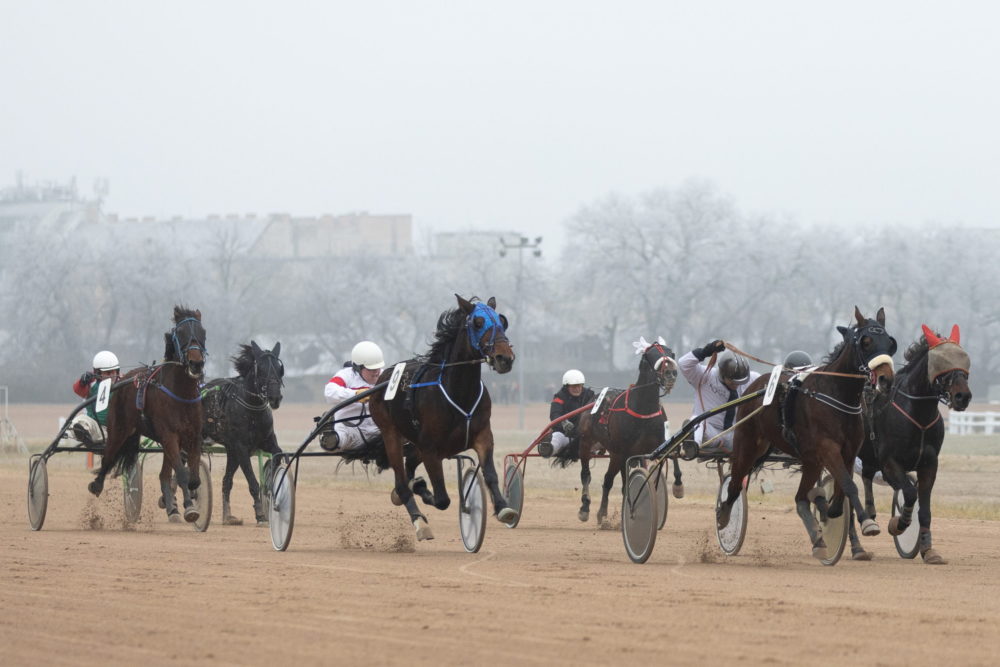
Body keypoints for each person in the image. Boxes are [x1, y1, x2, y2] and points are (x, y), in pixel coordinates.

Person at [678, 340, 760, 455]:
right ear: (722, 374)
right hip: (710, 432)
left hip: (736, 434)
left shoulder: (752, 379)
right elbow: (683, 363)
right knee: (695, 422)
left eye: (740, 382)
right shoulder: (704, 376)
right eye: (732, 381)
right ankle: (693, 445)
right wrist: (707, 351)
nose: (736, 385)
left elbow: (771, 383)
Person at [319, 341, 385, 451]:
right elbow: (329, 391)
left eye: (378, 367)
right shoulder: (346, 375)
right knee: (336, 441)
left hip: (378, 430)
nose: (376, 372)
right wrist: (356, 395)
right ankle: (331, 439)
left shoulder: (385, 376)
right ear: (358, 367)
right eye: (371, 369)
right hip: (350, 430)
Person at [65, 350, 121, 446]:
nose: (112, 375)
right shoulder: (92, 384)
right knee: (80, 420)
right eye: (108, 373)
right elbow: (77, 389)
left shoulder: (123, 383)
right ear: (97, 373)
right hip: (96, 428)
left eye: (114, 372)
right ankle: (81, 434)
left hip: (116, 431)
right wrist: (82, 382)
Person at [538, 369, 596, 458]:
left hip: (585, 435)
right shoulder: (560, 397)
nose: (576, 389)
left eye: (579, 386)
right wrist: (563, 423)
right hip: (565, 434)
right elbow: (554, 414)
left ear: (582, 385)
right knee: (557, 437)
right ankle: (548, 449)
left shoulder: (590, 395)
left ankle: (594, 448)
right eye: (573, 386)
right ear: (567, 386)